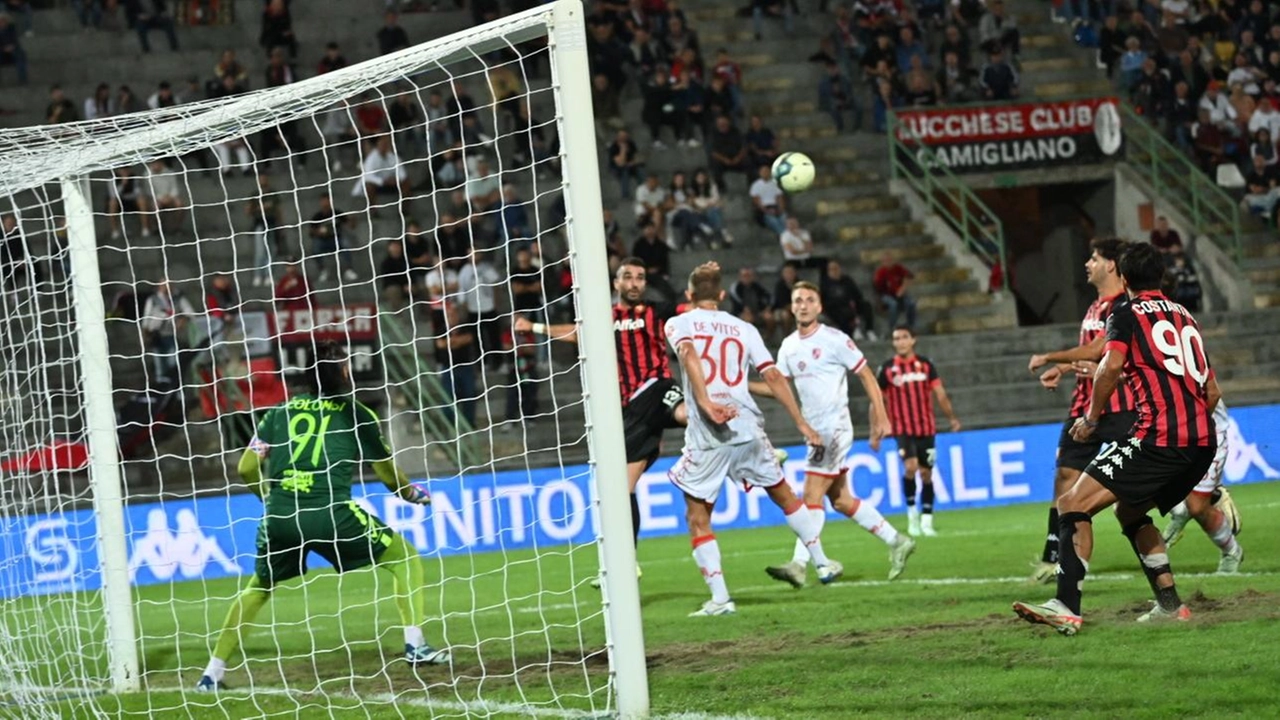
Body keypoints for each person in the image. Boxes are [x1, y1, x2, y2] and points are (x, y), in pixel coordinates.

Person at [195, 342, 447, 692]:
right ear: (343, 371)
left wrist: (268, 498)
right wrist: (410, 493)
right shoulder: (356, 413)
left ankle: (212, 673)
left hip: (281, 516)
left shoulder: (277, 414)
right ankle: (415, 644)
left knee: (259, 587)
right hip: (332, 514)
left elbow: (246, 466)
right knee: (404, 558)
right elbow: (389, 476)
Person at [1013, 243, 1219, 635]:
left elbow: (1110, 365)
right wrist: (1188, 429)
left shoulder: (1125, 313)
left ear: (1123, 279)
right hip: (1200, 440)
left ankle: (1065, 606)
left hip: (1157, 436)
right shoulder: (1184, 315)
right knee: (1128, 511)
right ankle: (1171, 605)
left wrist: (1091, 418)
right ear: (1160, 276)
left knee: (1071, 502)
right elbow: (1212, 392)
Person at [665, 263, 837, 617]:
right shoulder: (743, 327)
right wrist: (801, 423)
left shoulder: (678, 322)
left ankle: (720, 599)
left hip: (710, 435)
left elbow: (688, 354)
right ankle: (821, 563)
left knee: (698, 516)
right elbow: (773, 375)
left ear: (688, 296)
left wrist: (706, 401)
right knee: (784, 494)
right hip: (748, 428)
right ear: (723, 295)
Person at [516, 258, 690, 571]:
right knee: (622, 493)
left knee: (687, 413)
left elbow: (689, 313)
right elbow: (577, 333)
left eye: (640, 277)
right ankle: (628, 562)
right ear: (617, 283)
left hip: (657, 388)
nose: (635, 283)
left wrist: (705, 302)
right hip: (632, 413)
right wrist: (535, 327)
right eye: (628, 277)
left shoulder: (656, 310)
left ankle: (745, 438)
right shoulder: (605, 317)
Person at [758, 282, 915, 588]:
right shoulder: (789, 346)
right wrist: (740, 387)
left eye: (809, 300)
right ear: (791, 307)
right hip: (814, 431)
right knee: (841, 500)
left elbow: (867, 375)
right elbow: (777, 387)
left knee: (811, 495)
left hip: (834, 429)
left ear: (818, 307)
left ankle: (803, 564)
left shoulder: (834, 339)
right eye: (798, 300)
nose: (803, 305)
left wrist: (881, 416)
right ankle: (897, 541)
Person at [1025, 238, 1140, 582]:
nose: (1087, 263)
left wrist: (1048, 357)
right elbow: (1087, 355)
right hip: (1084, 407)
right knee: (1064, 478)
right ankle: (1054, 555)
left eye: (1094, 258)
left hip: (1121, 406)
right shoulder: (1094, 307)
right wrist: (1063, 369)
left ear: (1110, 265)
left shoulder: (1124, 306)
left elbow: (1096, 351)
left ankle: (1206, 497)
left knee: (1142, 486)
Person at [877, 326, 962, 536]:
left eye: (904, 337)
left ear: (913, 340)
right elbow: (878, 400)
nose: (900, 342)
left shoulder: (925, 365)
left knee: (926, 473)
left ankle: (927, 519)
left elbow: (940, 394)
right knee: (910, 467)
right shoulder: (887, 369)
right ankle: (912, 514)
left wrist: (951, 418)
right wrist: (876, 428)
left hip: (926, 428)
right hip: (902, 429)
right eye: (896, 338)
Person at [1161, 399, 1243, 572]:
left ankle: (1232, 551)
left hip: (1208, 434)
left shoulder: (1194, 371)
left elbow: (1212, 392)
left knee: (1197, 507)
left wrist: (1196, 426)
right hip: (1169, 432)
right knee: (1135, 483)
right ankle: (1179, 509)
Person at [872, 252, 917, 331]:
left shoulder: (898, 268)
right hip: (886, 295)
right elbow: (878, 288)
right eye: (886, 260)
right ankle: (892, 326)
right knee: (893, 304)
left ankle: (911, 326)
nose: (888, 262)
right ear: (882, 262)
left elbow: (910, 276)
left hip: (900, 294)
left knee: (911, 303)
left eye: (890, 260)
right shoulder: (881, 272)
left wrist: (903, 288)